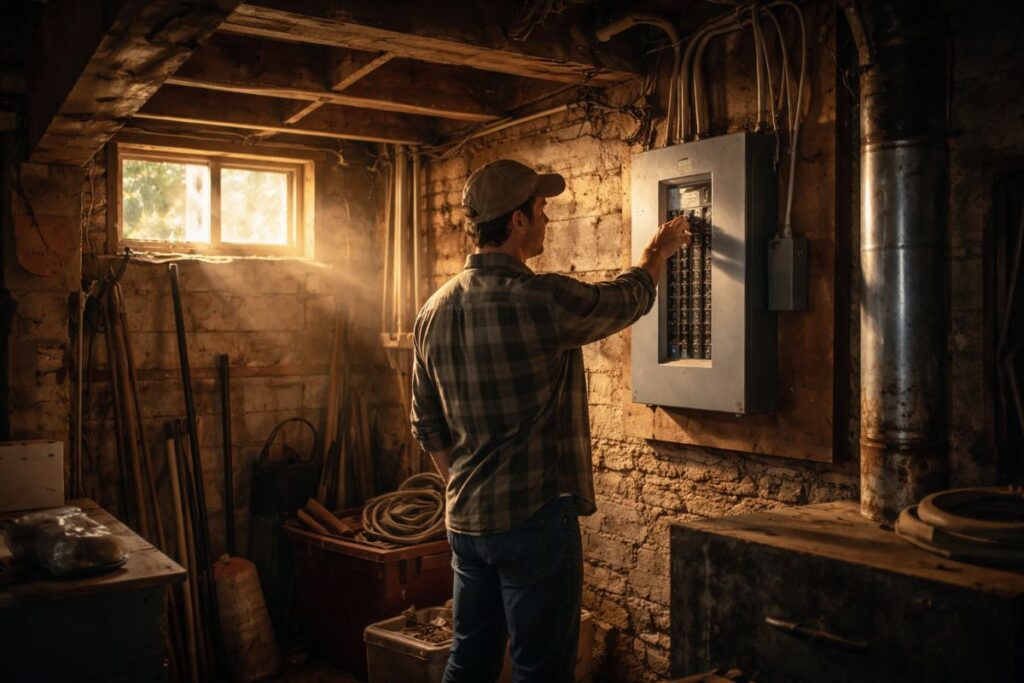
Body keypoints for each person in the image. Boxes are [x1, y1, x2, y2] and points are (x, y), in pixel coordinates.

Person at [410, 159, 691, 682]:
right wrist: (657, 253)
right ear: (516, 222)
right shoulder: (540, 299)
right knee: (541, 670)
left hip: (466, 522)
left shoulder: (433, 310)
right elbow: (625, 299)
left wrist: (466, 488)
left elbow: (428, 428)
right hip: (533, 519)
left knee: (468, 662)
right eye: (540, 209)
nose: (546, 220)